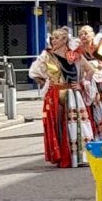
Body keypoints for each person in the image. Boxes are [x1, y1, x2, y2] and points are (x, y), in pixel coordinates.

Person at [29, 27, 94, 168]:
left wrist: (82, 84)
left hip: (72, 93)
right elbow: (34, 72)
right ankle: (60, 155)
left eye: (56, 38)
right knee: (58, 124)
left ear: (65, 40)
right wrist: (46, 83)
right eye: (52, 38)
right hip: (55, 94)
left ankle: (78, 156)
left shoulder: (74, 55)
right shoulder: (46, 55)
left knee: (74, 125)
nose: (53, 41)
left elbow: (90, 70)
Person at [77, 25, 102, 141]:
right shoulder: (78, 50)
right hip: (83, 83)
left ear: (92, 34)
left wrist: (90, 67)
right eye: (81, 34)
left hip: (97, 82)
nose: (83, 36)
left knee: (100, 108)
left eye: (86, 33)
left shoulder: (99, 47)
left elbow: (101, 65)